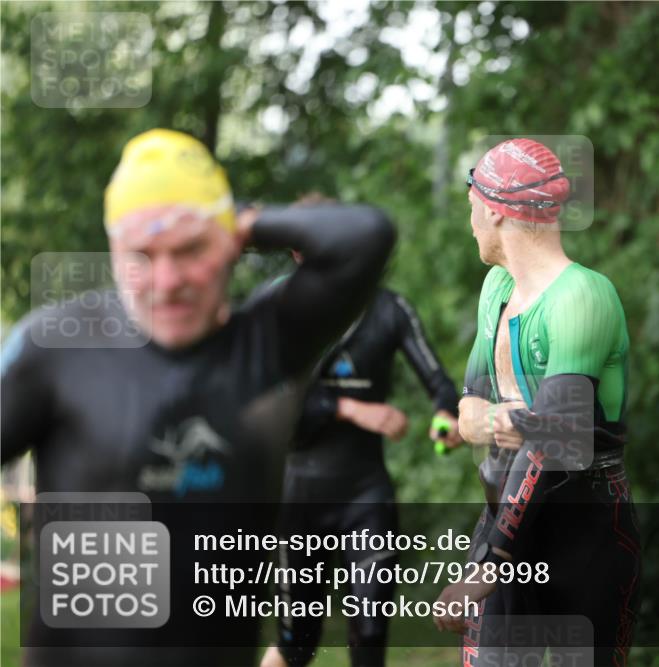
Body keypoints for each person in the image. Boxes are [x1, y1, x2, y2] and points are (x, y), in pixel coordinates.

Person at [0, 128, 396, 666]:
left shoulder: (267, 344)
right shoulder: (56, 347)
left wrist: (240, 217)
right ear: (113, 248)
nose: (166, 280)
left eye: (190, 249)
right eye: (141, 253)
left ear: (231, 240)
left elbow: (366, 235)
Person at [432, 139, 642, 666]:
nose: (470, 221)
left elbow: (553, 441)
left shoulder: (582, 297)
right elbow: (469, 410)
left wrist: (487, 563)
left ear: (498, 211)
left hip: (585, 527)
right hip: (505, 515)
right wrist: (513, 421)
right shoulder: (496, 286)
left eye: (473, 206)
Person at [259, 201, 462, 667]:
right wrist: (352, 409)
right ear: (295, 251)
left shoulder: (389, 308)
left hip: (365, 495)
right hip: (298, 495)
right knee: (296, 645)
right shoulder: (275, 306)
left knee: (368, 636)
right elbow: (271, 403)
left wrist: (446, 414)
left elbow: (438, 380)